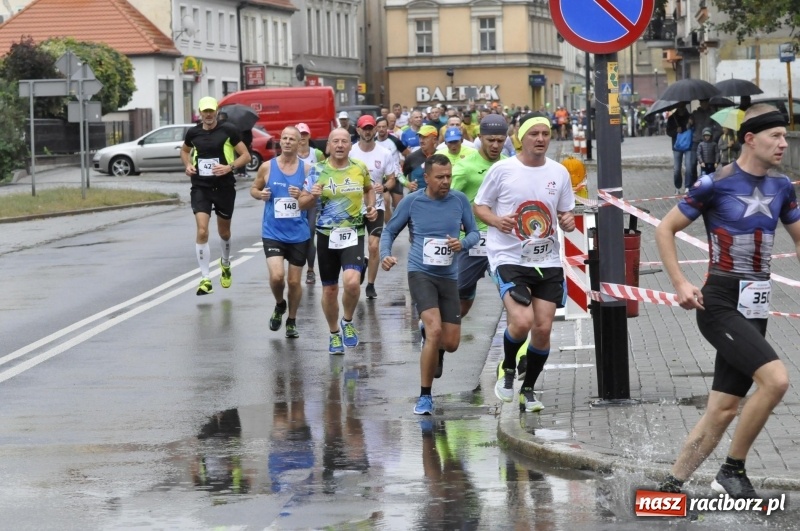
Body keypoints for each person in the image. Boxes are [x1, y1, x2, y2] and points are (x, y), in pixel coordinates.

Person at [654, 104, 800, 498]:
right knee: (776, 381)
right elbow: (665, 229)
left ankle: (669, 490)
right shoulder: (713, 184)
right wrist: (681, 282)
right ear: (750, 139)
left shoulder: (782, 187)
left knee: (721, 410)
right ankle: (731, 470)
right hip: (720, 303)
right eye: (776, 136)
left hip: (756, 306)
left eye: (785, 137)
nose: (783, 143)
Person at [473, 113, 576, 412]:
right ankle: (507, 368)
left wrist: (568, 221)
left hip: (547, 258)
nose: (541, 139)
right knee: (521, 321)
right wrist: (496, 220)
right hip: (508, 256)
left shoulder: (559, 172)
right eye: (535, 134)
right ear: (521, 137)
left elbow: (566, 213)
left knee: (542, 329)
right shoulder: (503, 170)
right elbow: (480, 206)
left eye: (546, 133)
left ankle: (527, 389)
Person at [380, 154, 480, 414]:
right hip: (420, 273)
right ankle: (425, 396)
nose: (446, 181)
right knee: (435, 330)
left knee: (451, 343)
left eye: (448, 176)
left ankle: (435, 346)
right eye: (440, 177)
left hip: (449, 276)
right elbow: (389, 230)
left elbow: (474, 232)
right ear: (426, 178)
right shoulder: (413, 202)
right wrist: (385, 254)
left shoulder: (459, 200)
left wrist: (464, 243)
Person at [307, 128, 378, 354]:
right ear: (328, 145)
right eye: (335, 141)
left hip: (353, 233)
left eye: (344, 141)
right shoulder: (317, 170)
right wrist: (312, 195)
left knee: (351, 283)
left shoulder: (359, 168)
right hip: (326, 236)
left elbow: (369, 190)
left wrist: (371, 206)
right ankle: (334, 333)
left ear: (350, 145)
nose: (339, 145)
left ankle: (347, 321)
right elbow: (301, 203)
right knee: (329, 290)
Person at [181, 96, 251, 295]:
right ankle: (205, 278)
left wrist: (229, 167)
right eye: (205, 111)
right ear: (200, 112)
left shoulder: (228, 130)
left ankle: (226, 263)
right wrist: (188, 165)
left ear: (217, 111)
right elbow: (185, 151)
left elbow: (245, 155)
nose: (209, 115)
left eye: (212, 111)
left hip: (224, 187)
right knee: (202, 231)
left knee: (224, 233)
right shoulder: (193, 132)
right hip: (201, 187)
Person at [250, 126, 315, 338]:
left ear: (299, 143)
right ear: (280, 141)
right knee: (277, 277)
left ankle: (292, 320)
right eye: (284, 138)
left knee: (294, 282)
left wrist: (302, 195)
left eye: (292, 139)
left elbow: (314, 197)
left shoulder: (307, 170)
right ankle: (280, 304)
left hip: (298, 233)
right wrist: (260, 194)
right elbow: (253, 188)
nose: (287, 142)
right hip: (273, 231)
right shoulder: (267, 167)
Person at [450, 113, 508, 319]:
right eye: (490, 140)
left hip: (502, 240)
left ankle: (517, 349)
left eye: (500, 141)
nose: (495, 145)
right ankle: (430, 331)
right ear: (480, 138)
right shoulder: (465, 167)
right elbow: (449, 200)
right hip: (472, 242)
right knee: (461, 304)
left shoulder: (509, 165)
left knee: (515, 296)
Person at [350, 114, 396, 300]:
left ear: (375, 129)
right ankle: (360, 266)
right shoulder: (351, 152)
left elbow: (392, 179)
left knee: (374, 246)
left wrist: (384, 187)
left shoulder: (384, 153)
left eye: (371, 128)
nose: (368, 131)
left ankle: (370, 285)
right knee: (355, 245)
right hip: (354, 206)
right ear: (358, 130)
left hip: (375, 206)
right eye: (364, 128)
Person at [296, 122, 326, 285]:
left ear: (309, 136)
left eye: (305, 134)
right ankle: (295, 269)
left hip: (312, 199)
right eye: (299, 135)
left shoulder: (317, 153)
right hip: (295, 198)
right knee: (296, 233)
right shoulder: (291, 153)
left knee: (310, 232)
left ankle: (310, 270)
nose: (302, 138)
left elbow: (325, 171)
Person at [399, 125, 438, 193]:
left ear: (434, 140)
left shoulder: (440, 156)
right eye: (420, 137)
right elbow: (400, 176)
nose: (421, 141)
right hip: (417, 199)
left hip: (436, 198)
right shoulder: (411, 157)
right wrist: (407, 184)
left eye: (425, 137)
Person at [666, 103, 692, 194]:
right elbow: (668, 132)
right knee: (677, 168)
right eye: (680, 106)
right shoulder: (672, 118)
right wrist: (676, 132)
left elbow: (693, 129)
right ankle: (677, 187)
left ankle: (688, 186)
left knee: (688, 166)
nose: (681, 108)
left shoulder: (689, 117)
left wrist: (690, 125)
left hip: (688, 144)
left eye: (683, 106)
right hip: (676, 146)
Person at [688, 99, 713, 187]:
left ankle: (707, 184)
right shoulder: (695, 113)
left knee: (707, 166)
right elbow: (688, 126)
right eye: (702, 102)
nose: (703, 104)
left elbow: (718, 129)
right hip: (696, 141)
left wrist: (713, 137)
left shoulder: (712, 113)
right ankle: (694, 184)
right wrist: (690, 123)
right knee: (692, 165)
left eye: (705, 102)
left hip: (707, 142)